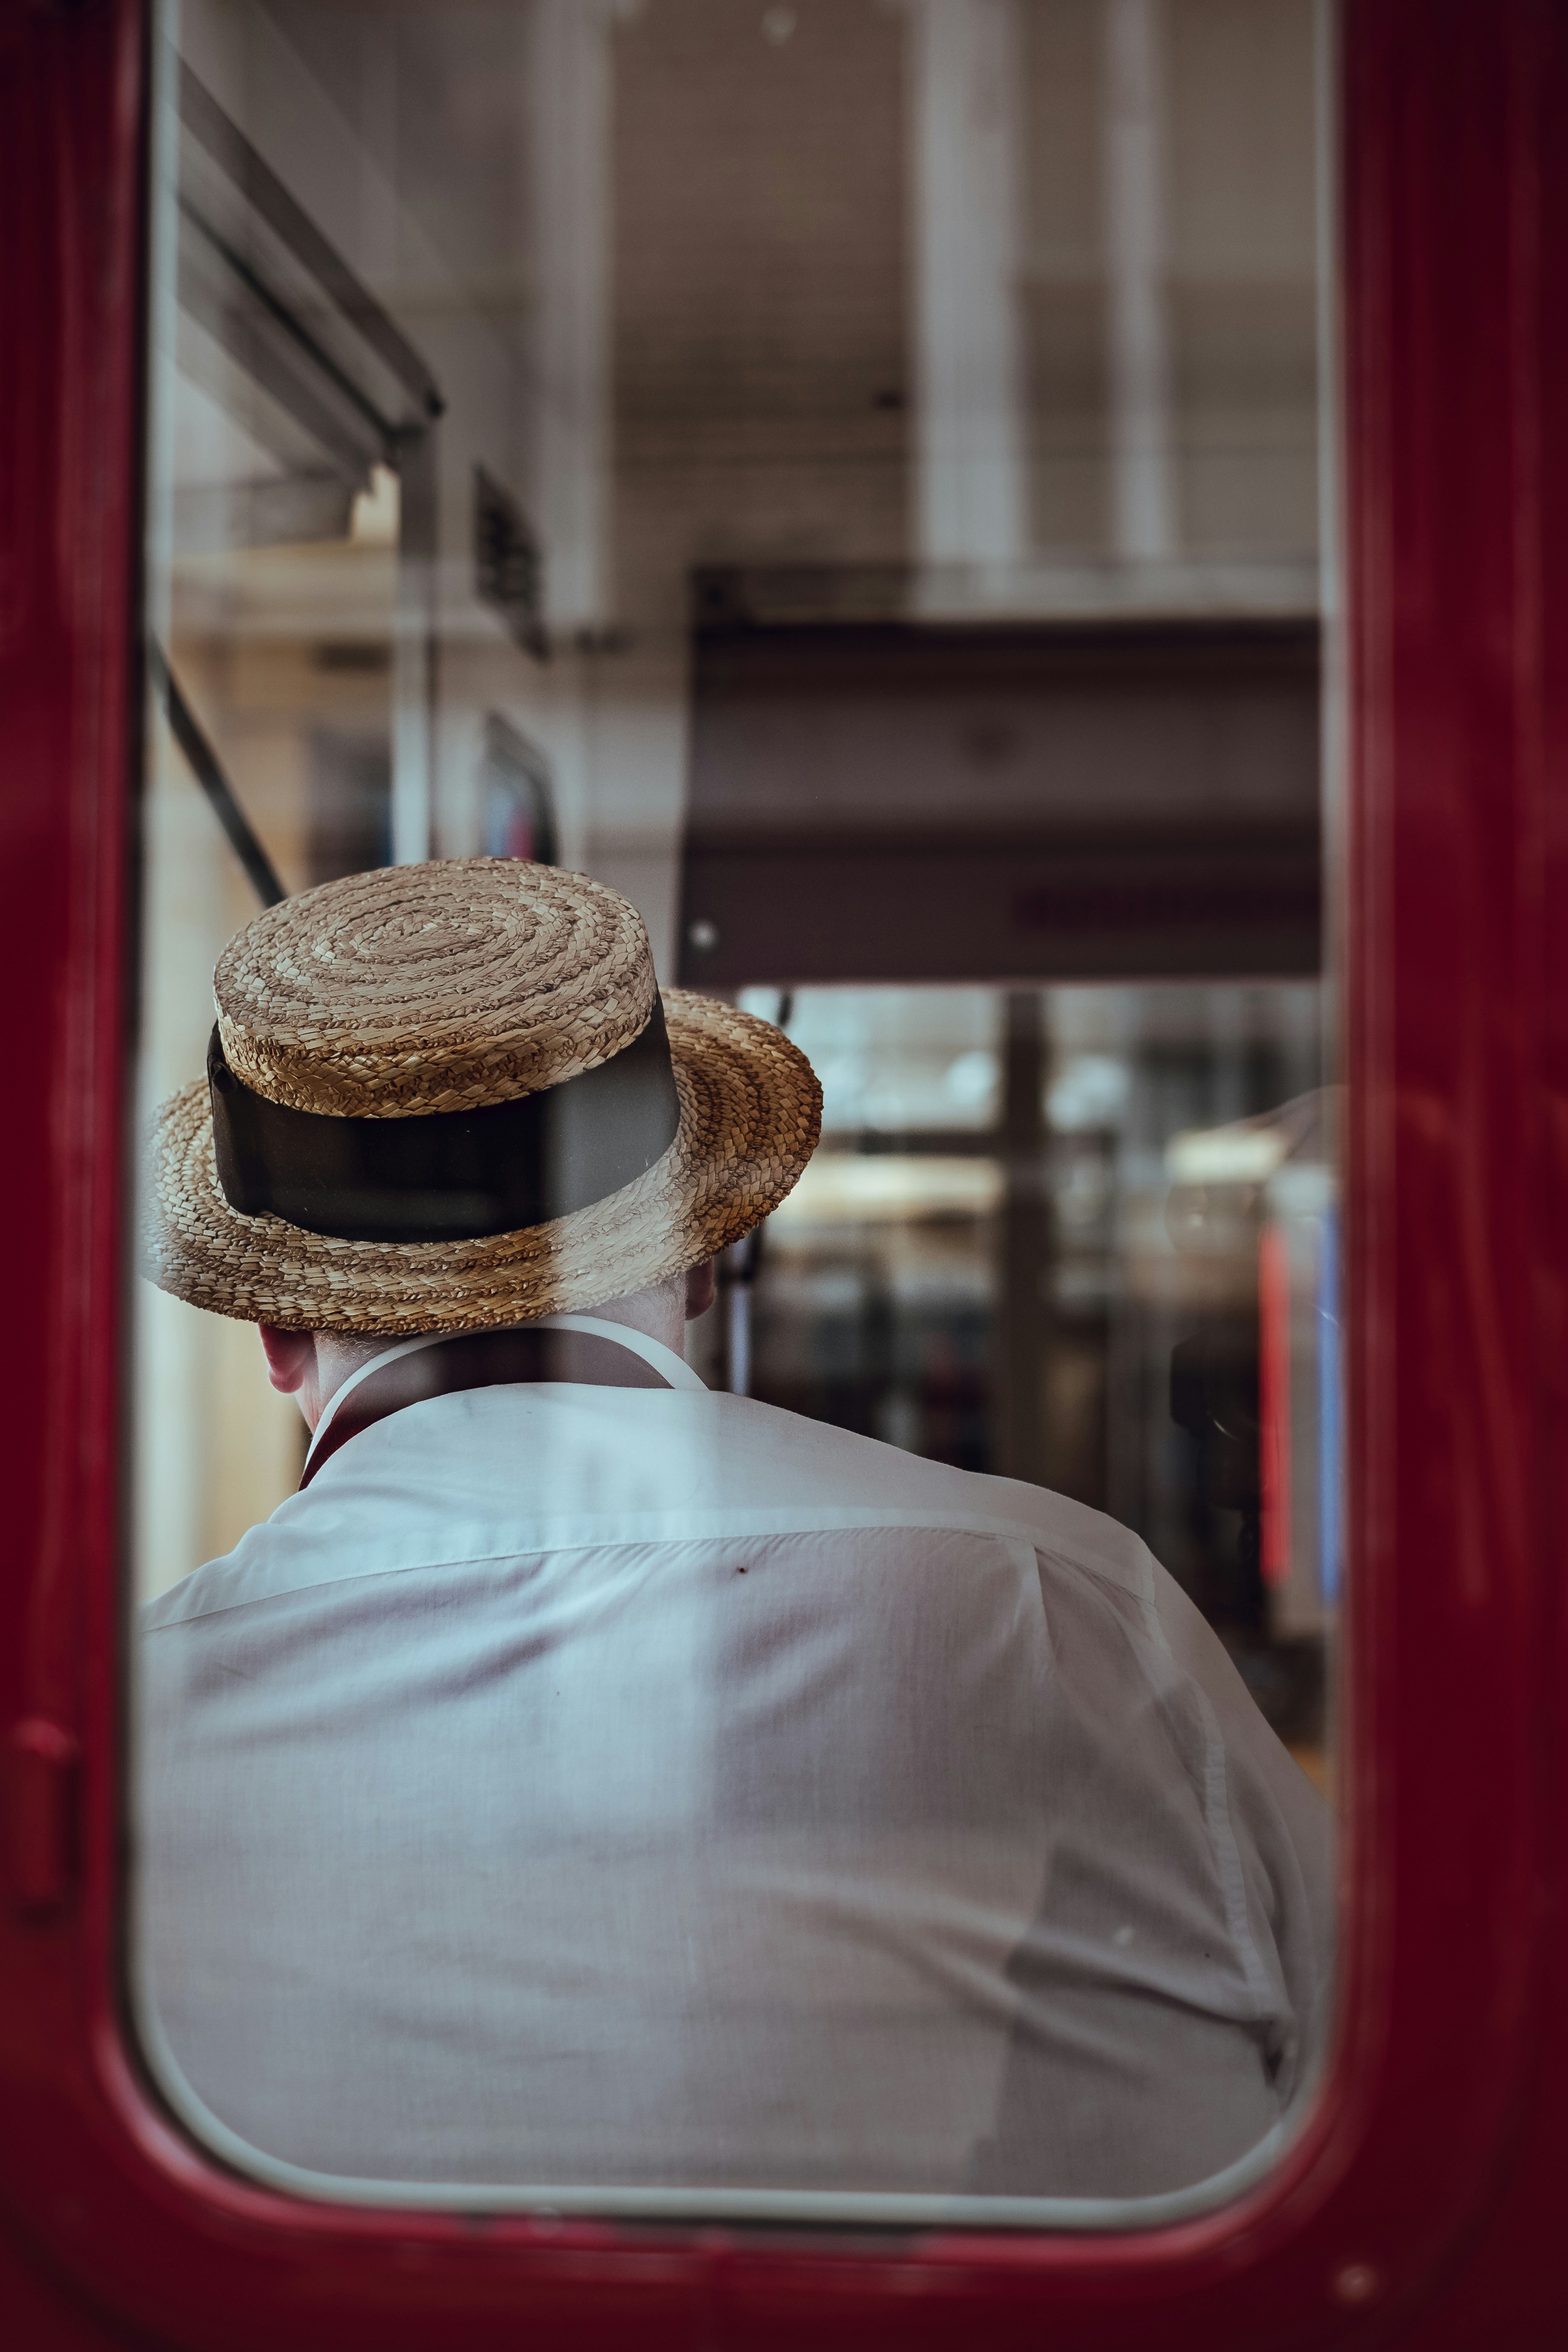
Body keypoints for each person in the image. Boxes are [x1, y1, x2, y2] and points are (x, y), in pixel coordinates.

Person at [139, 858, 1330, 2208]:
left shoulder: (129, 1711)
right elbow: (1377, 2074)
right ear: (701, 1254)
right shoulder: (1063, 1600)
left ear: (275, 1333)